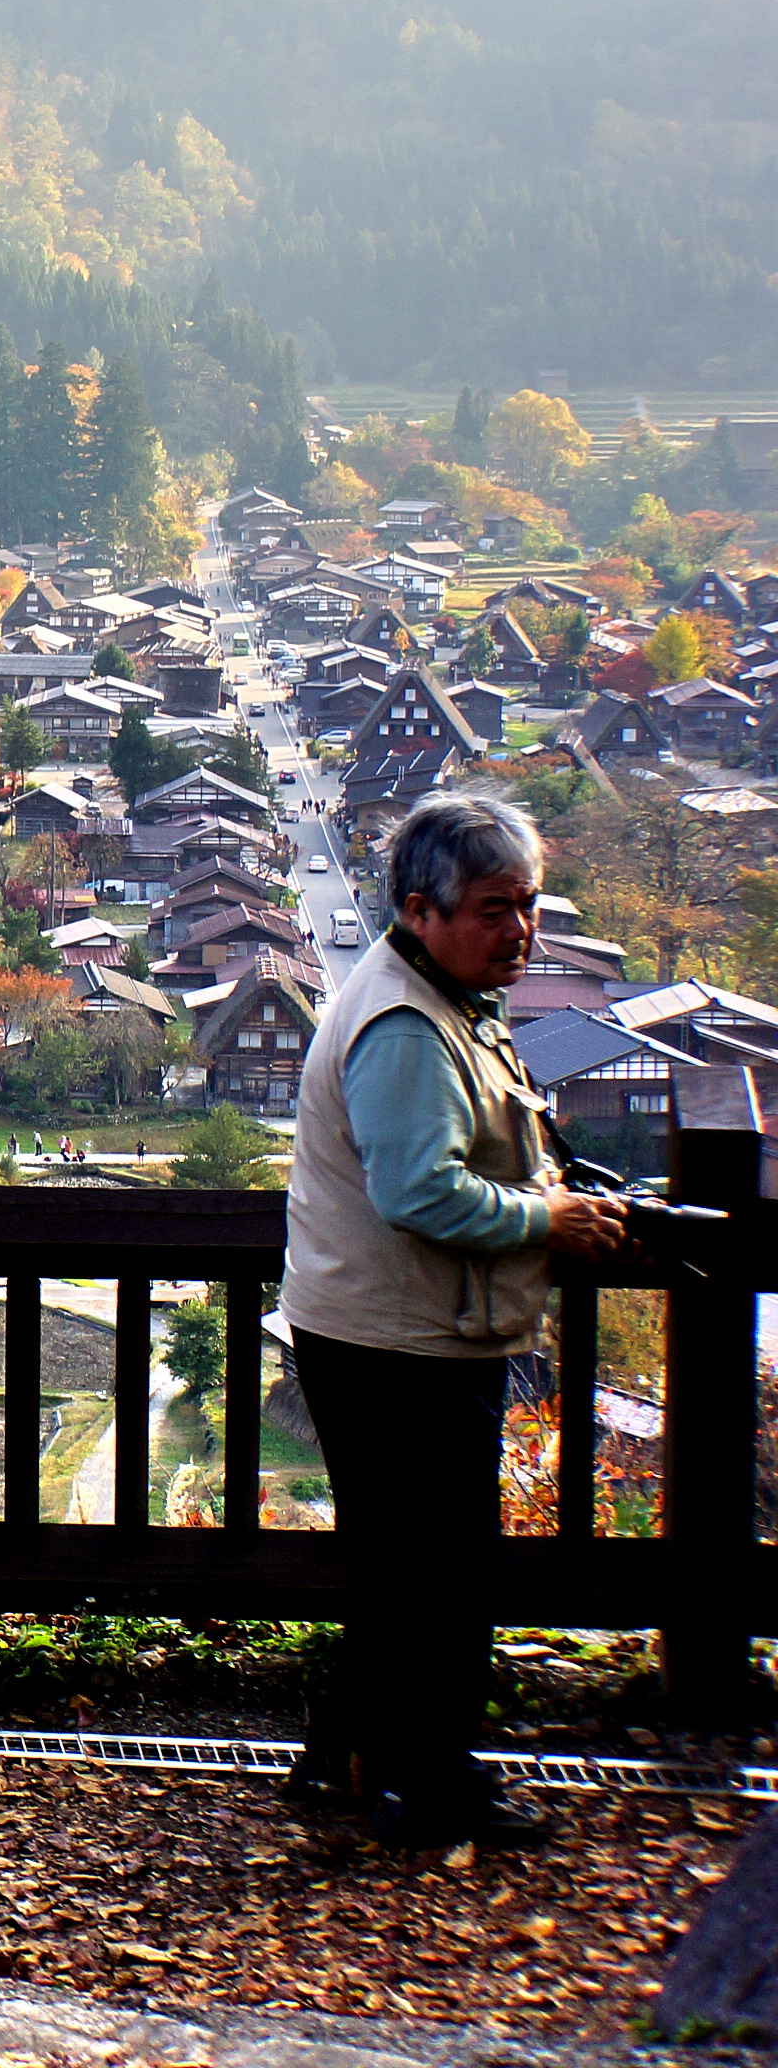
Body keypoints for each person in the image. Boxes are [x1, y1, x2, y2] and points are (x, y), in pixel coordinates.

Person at [282, 790, 619, 1851]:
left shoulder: (436, 997)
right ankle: (430, 1786)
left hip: (396, 1329)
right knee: (439, 1576)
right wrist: (548, 1217)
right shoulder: (405, 1027)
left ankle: (342, 1759)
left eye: (527, 905)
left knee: (404, 1571)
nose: (516, 929)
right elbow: (420, 1195)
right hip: (399, 1341)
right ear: (419, 910)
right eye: (490, 908)